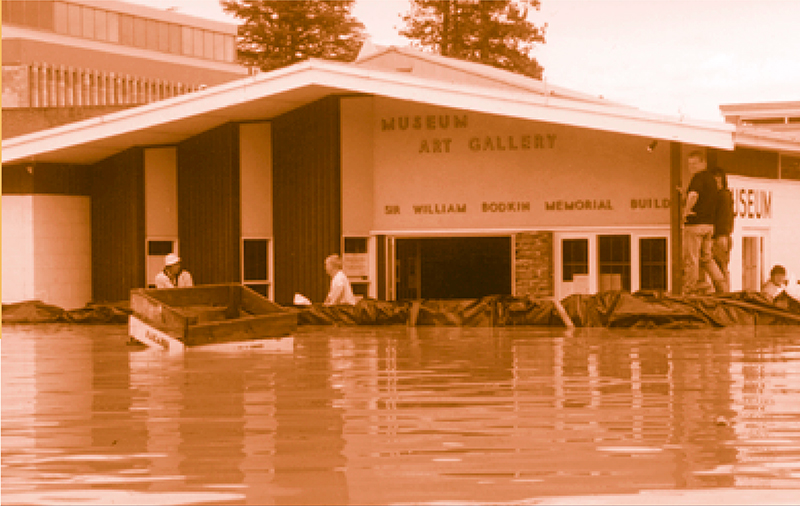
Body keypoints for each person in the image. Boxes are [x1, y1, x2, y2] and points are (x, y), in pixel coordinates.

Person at [682, 150, 725, 294]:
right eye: (689, 164)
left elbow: (694, 195)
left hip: (695, 225)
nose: (691, 167)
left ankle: (689, 291)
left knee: (691, 258)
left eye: (694, 163)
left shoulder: (697, 178)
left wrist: (685, 211)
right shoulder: (712, 180)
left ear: (703, 163)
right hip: (709, 225)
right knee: (707, 258)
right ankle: (721, 284)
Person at [711, 166, 734, 292]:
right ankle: (724, 291)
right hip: (724, 236)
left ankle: (723, 292)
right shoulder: (726, 195)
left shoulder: (722, 195)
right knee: (721, 265)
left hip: (720, 236)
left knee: (720, 266)